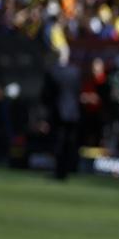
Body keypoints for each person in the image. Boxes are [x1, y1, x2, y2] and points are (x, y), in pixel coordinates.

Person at [43, 47, 81, 180]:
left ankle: (59, 170)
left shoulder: (52, 72)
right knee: (69, 142)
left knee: (58, 142)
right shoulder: (75, 72)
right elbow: (77, 92)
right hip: (73, 112)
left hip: (58, 111)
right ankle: (67, 169)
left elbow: (46, 95)